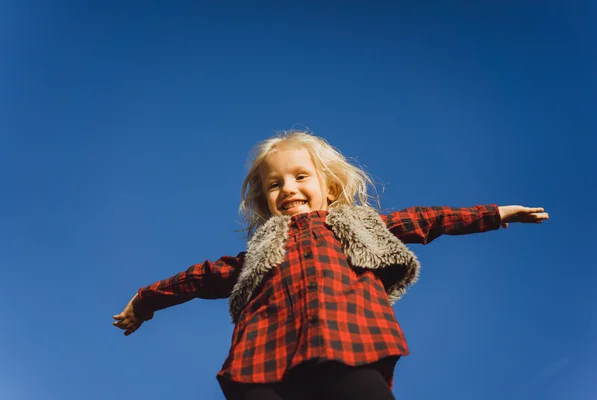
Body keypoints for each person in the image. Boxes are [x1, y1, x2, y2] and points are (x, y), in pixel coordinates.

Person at [113, 131, 548, 400]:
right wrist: (146, 298)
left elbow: (427, 219)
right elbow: (202, 276)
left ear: (329, 185)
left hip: (346, 349)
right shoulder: (261, 250)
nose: (288, 188)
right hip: (259, 367)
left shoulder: (359, 225)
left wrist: (496, 213)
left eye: (301, 176)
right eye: (274, 184)